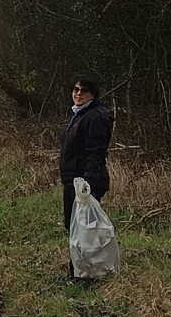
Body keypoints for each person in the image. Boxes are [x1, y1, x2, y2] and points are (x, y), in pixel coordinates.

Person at [60, 75, 113, 278]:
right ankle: (77, 271)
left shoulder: (94, 117)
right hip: (73, 182)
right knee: (74, 227)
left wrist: (87, 184)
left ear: (93, 94)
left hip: (84, 183)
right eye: (76, 89)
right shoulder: (80, 115)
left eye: (84, 90)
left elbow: (96, 152)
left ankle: (86, 275)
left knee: (85, 230)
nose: (78, 93)